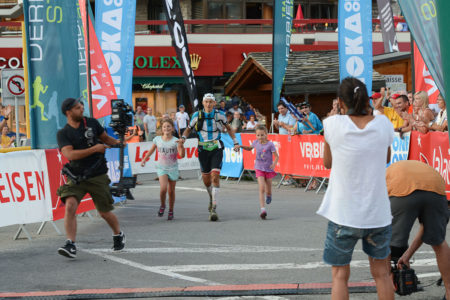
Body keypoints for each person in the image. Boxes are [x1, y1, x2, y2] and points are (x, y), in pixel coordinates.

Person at [317, 77, 395, 300]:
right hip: (377, 213)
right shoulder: (382, 123)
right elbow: (386, 157)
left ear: (340, 102)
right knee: (382, 274)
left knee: (340, 275)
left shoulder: (332, 125)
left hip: (343, 213)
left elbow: (327, 163)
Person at [56, 98, 125, 258]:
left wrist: (119, 143)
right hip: (77, 176)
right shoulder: (64, 133)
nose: (82, 109)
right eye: (78, 108)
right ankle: (70, 244)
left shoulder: (92, 123)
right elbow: (69, 154)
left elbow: (106, 139)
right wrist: (95, 149)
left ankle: (118, 234)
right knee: (70, 205)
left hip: (97, 174)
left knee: (104, 212)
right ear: (68, 112)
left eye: (82, 107)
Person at [386, 160, 449, 300]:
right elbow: (425, 228)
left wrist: (395, 258)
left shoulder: (384, 177)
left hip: (401, 185)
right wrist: (407, 255)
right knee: (439, 242)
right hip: (435, 185)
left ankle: (387, 286)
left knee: (388, 244)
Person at [180, 93, 240, 221]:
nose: (208, 104)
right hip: (203, 149)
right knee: (206, 180)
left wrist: (235, 142)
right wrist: (183, 138)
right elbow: (188, 129)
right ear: (203, 103)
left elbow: (228, 128)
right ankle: (211, 197)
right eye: (206, 102)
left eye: (210, 102)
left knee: (215, 176)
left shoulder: (220, 115)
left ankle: (214, 208)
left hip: (216, 148)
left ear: (214, 103)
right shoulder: (197, 115)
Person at [141, 118, 185, 220]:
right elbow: (151, 150)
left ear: (172, 128)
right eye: (164, 127)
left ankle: (171, 210)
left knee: (171, 191)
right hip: (162, 168)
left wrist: (181, 146)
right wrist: (144, 159)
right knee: (163, 189)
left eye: (168, 126)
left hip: (173, 168)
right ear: (161, 128)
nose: (166, 128)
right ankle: (162, 205)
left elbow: (182, 155)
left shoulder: (175, 141)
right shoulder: (157, 139)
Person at [240, 125, 279, 219]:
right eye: (258, 135)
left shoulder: (270, 144)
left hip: (268, 168)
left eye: (262, 135)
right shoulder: (256, 142)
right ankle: (263, 209)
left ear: (266, 134)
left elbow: (276, 156)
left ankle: (269, 195)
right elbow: (249, 148)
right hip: (259, 168)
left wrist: (274, 164)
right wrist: (241, 146)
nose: (260, 137)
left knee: (268, 188)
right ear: (256, 136)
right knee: (261, 188)